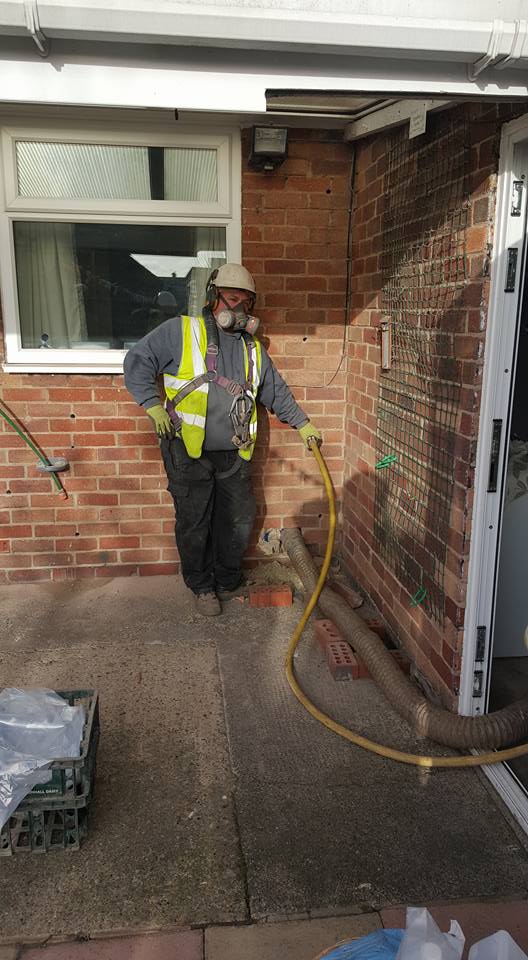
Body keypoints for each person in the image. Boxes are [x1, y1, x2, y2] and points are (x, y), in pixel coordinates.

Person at [123, 263, 322, 616]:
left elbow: (274, 391)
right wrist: (152, 406)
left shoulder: (253, 350)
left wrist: (302, 424)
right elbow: (138, 361)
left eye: (246, 302)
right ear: (214, 298)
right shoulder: (182, 332)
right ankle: (201, 587)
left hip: (234, 451)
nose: (239, 309)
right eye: (232, 299)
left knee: (237, 519)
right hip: (186, 448)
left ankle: (227, 579)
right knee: (194, 519)